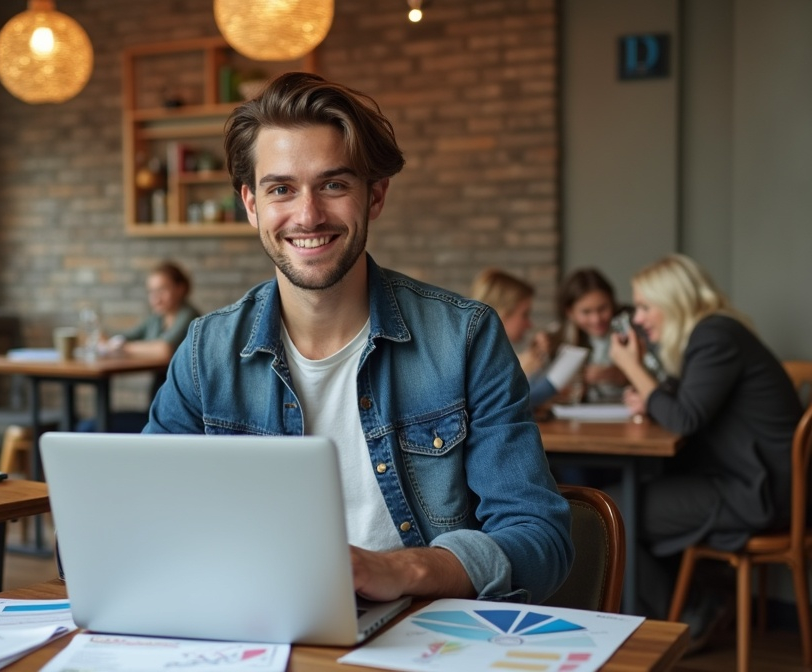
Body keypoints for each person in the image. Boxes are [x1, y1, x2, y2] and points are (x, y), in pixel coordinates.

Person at [144, 72, 572, 603]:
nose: (308, 215)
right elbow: (142, 519)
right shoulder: (205, 352)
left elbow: (540, 539)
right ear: (251, 204)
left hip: (423, 626)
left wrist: (403, 571)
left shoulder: (466, 338)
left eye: (334, 185)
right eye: (281, 189)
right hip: (256, 623)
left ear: (375, 196)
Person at [609, 254, 802, 640]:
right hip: (746, 480)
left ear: (674, 301)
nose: (639, 318)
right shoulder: (715, 333)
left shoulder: (714, 336)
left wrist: (633, 369)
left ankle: (685, 618)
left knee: (614, 511)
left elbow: (685, 418)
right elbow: (689, 399)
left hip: (757, 491)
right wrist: (652, 395)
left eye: (645, 306)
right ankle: (690, 606)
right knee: (628, 498)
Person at [80, 261, 201, 433]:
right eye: (151, 291)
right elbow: (127, 336)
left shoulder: (190, 317)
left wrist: (121, 347)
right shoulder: (157, 319)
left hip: (177, 415)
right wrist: (105, 338)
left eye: (162, 290)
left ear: (180, 288)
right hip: (158, 407)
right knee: (88, 425)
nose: (156, 298)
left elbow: (164, 349)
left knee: (90, 427)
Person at [468, 268, 561, 409]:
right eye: (525, 314)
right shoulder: (472, 361)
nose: (530, 324)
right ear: (502, 313)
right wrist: (517, 373)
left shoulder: (492, 355)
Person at [556, 268, 631, 403]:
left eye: (602, 308)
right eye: (586, 312)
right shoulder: (559, 338)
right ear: (570, 312)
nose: (596, 319)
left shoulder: (631, 326)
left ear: (612, 302)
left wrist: (616, 374)